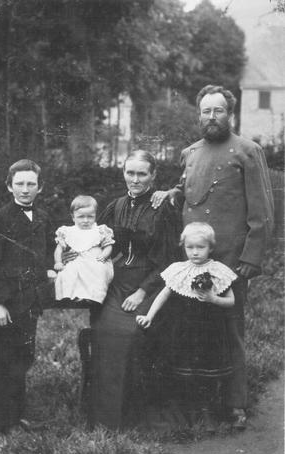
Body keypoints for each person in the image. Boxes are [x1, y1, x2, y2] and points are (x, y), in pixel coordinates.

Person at [151, 84, 274, 430]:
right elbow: (189, 189)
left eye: (218, 110)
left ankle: (234, 404)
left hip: (230, 262)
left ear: (230, 114)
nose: (211, 117)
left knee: (229, 328)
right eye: (206, 111)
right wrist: (171, 193)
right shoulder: (190, 152)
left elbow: (262, 213)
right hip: (192, 261)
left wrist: (250, 259)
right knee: (192, 331)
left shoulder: (248, 152)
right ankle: (196, 401)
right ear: (199, 115)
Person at [88, 149, 181, 430]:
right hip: (118, 281)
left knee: (131, 333)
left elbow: (169, 260)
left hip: (152, 282)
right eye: (131, 173)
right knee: (104, 331)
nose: (136, 179)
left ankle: (134, 417)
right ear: (123, 173)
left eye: (142, 174)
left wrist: (142, 291)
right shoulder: (115, 206)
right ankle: (105, 420)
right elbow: (98, 243)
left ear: (154, 176)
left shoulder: (163, 208)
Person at [137, 222, 237, 433]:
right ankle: (189, 411)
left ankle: (207, 411)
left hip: (210, 332)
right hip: (184, 330)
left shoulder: (218, 271)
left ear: (210, 248)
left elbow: (231, 301)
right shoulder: (179, 270)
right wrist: (149, 316)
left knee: (208, 371)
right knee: (185, 370)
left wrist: (213, 299)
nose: (194, 252)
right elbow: (164, 294)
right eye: (190, 247)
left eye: (200, 247)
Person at [0, 159, 54, 434]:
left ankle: (17, 415)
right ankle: (4, 423)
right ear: (9, 186)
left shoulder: (43, 217)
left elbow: (46, 253)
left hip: (31, 301)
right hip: (8, 303)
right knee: (6, 360)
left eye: (31, 184)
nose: (25, 190)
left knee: (24, 358)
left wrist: (52, 267)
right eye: (20, 184)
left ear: (40, 187)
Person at [54, 195, 114, 304]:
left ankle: (93, 297)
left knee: (99, 271)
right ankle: (69, 296)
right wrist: (58, 262)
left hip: (95, 260)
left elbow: (108, 245)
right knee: (68, 272)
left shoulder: (100, 230)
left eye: (90, 216)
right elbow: (59, 249)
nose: (86, 220)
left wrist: (104, 255)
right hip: (76, 260)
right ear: (73, 217)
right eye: (81, 217)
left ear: (95, 216)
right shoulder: (67, 231)